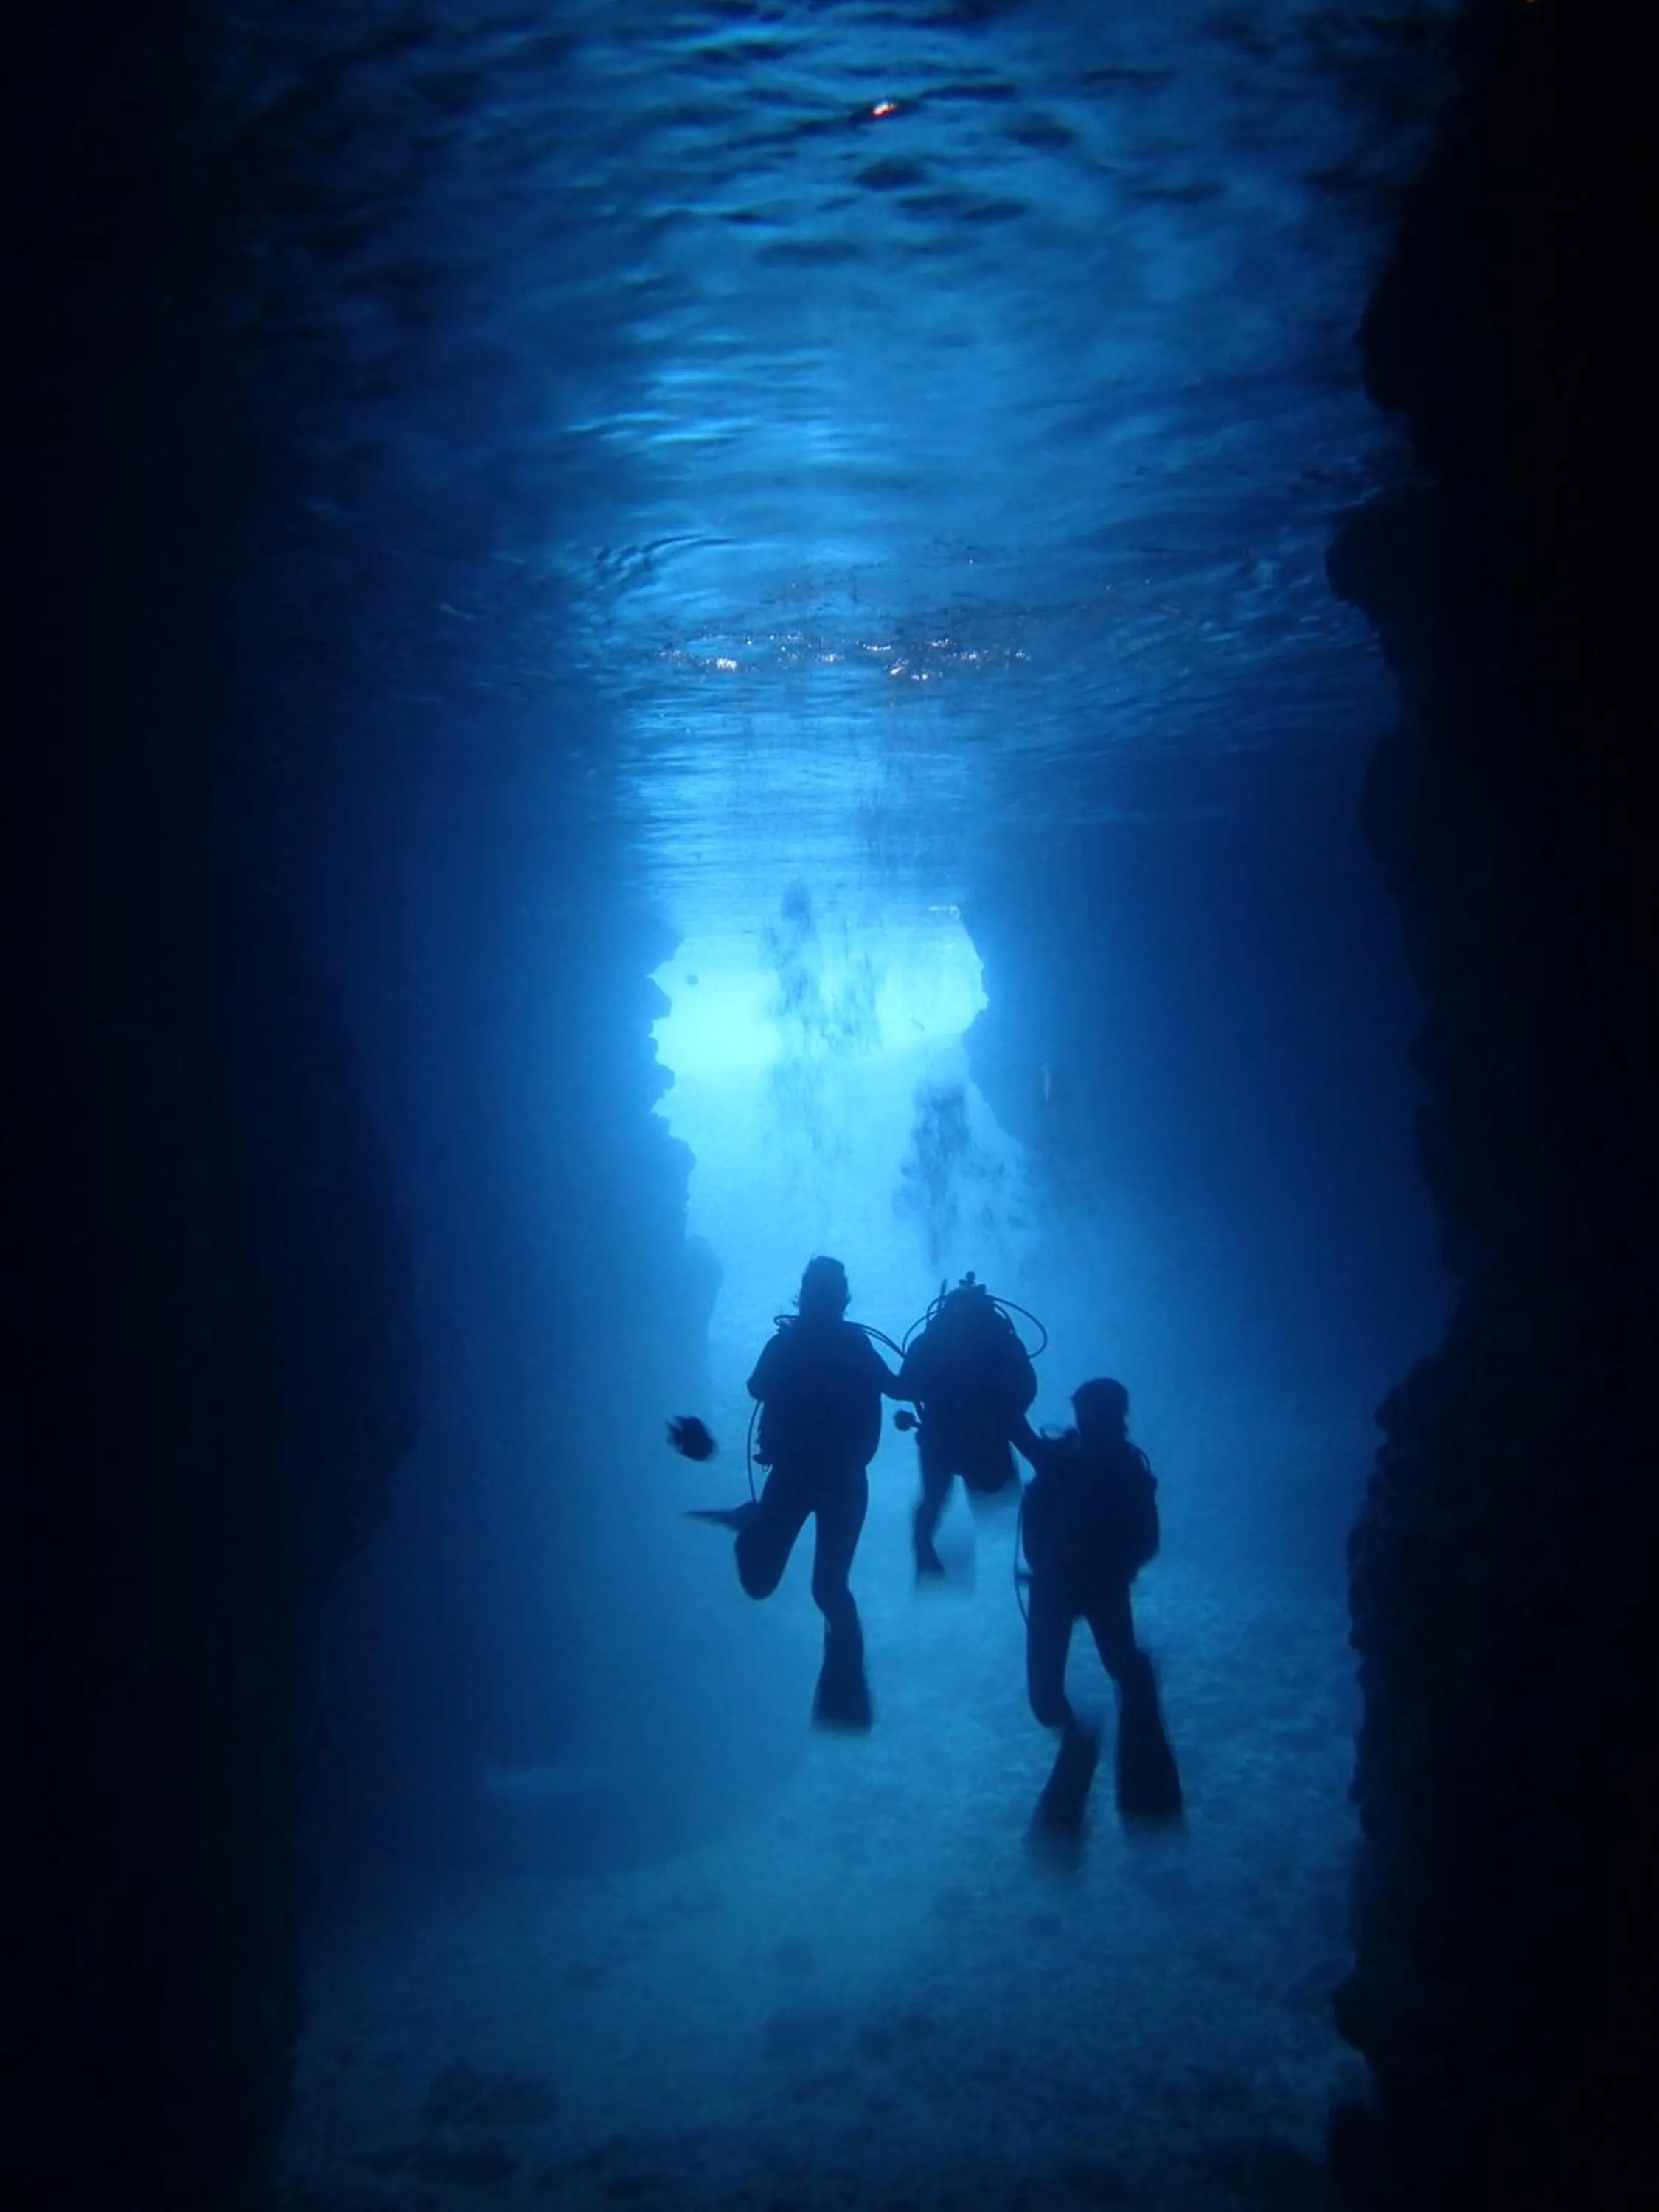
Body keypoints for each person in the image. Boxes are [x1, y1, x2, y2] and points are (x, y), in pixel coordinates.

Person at [694, 1256, 900, 1731]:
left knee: (789, 1585)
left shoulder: (799, 1343)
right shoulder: (850, 1344)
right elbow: (900, 1387)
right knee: (820, 1588)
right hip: (828, 1479)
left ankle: (845, 1690)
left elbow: (756, 1387)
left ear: (805, 1296)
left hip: (813, 1478)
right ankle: (846, 1692)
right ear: (839, 1299)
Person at [1015, 1377, 1182, 1833]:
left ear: (1114, 1416)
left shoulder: (1122, 1471)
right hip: (1065, 1587)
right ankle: (1097, 1753)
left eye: (1096, 1413)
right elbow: (1020, 1435)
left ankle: (1099, 1754)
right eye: (1085, 1413)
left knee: (1116, 1670)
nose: (1087, 1422)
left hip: (1090, 1588)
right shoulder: (1066, 1460)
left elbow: (1147, 1541)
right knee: (1050, 1697)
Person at [895, 1272, 1039, 1579]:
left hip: (940, 1434)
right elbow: (1027, 1386)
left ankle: (925, 1551)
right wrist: (1007, 1415)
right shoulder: (1000, 1338)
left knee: (934, 1497)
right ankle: (1030, 1560)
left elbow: (906, 1386)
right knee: (1009, 1503)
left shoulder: (932, 1339)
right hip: (990, 1434)